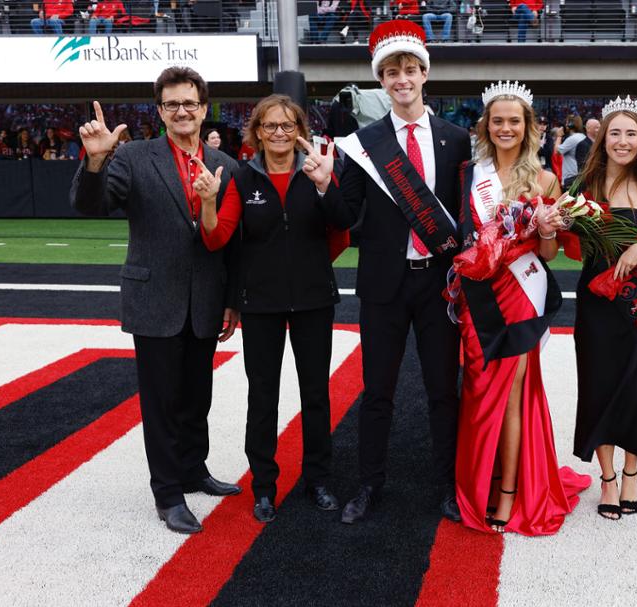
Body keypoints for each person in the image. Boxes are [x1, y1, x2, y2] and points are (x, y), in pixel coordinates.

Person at [70, 67, 241, 534]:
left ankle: (192, 469)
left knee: (196, 397)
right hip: (154, 299)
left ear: (205, 109)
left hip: (205, 301)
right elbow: (92, 206)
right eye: (172, 104)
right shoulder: (133, 157)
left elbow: (232, 243)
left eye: (190, 103)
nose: (182, 111)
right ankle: (167, 494)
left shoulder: (229, 166)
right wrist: (95, 161)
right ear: (160, 110)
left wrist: (231, 300)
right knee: (161, 402)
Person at [333, 20, 472, 525]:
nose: (402, 79)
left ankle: (448, 486)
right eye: (392, 72)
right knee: (377, 392)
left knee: (442, 390)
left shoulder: (456, 139)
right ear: (382, 80)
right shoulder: (363, 143)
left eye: (410, 69)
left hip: (438, 284)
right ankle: (369, 484)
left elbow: (466, 215)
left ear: (424, 73)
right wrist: (327, 184)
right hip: (383, 285)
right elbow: (347, 214)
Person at [197, 95, 345, 523]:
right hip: (259, 304)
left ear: (299, 129)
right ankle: (264, 487)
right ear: (257, 132)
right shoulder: (242, 179)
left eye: (287, 125)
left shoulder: (317, 169)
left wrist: (323, 184)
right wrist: (208, 201)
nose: (279, 133)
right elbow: (218, 237)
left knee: (315, 393)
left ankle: (318, 479)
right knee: (262, 397)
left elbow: (342, 229)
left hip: (315, 300)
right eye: (270, 126)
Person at [453, 80, 589, 535]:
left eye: (515, 121)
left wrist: (547, 228)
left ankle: (508, 492)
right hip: (479, 298)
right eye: (498, 121)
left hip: (520, 296)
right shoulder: (470, 175)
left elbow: (548, 256)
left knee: (511, 397)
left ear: (527, 126)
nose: (506, 128)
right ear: (486, 126)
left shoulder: (546, 179)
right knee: (477, 390)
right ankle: (482, 480)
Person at [573, 96, 637, 521]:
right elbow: (572, 249)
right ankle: (608, 479)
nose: (622, 141)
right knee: (598, 387)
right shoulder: (584, 188)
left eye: (630, 133)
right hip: (597, 305)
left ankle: (632, 472)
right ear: (602, 138)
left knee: (636, 390)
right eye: (615, 132)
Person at [554, 114, 586, 188]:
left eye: (567, 123)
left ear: (570, 124)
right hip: (578, 176)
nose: (565, 125)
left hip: (571, 178)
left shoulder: (572, 139)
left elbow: (556, 151)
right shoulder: (582, 136)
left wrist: (559, 136)